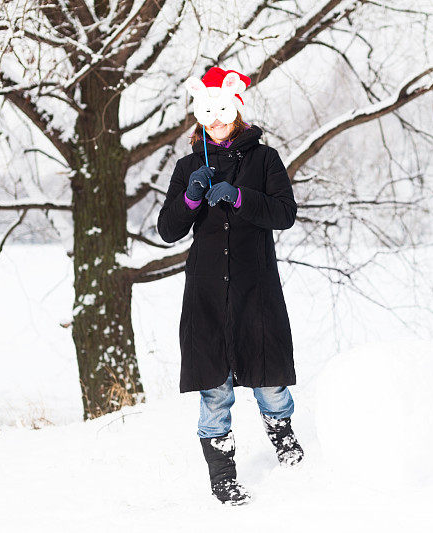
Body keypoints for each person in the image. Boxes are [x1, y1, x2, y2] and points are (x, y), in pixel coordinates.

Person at [157, 67, 303, 506]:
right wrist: (190, 199)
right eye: (208, 112)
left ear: (236, 110)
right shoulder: (186, 167)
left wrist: (240, 198)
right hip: (205, 292)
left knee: (269, 379)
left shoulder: (264, 160)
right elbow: (168, 229)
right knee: (214, 387)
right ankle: (223, 475)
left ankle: (287, 444)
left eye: (223, 111)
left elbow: (284, 213)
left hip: (255, 287)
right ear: (200, 114)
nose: (216, 120)